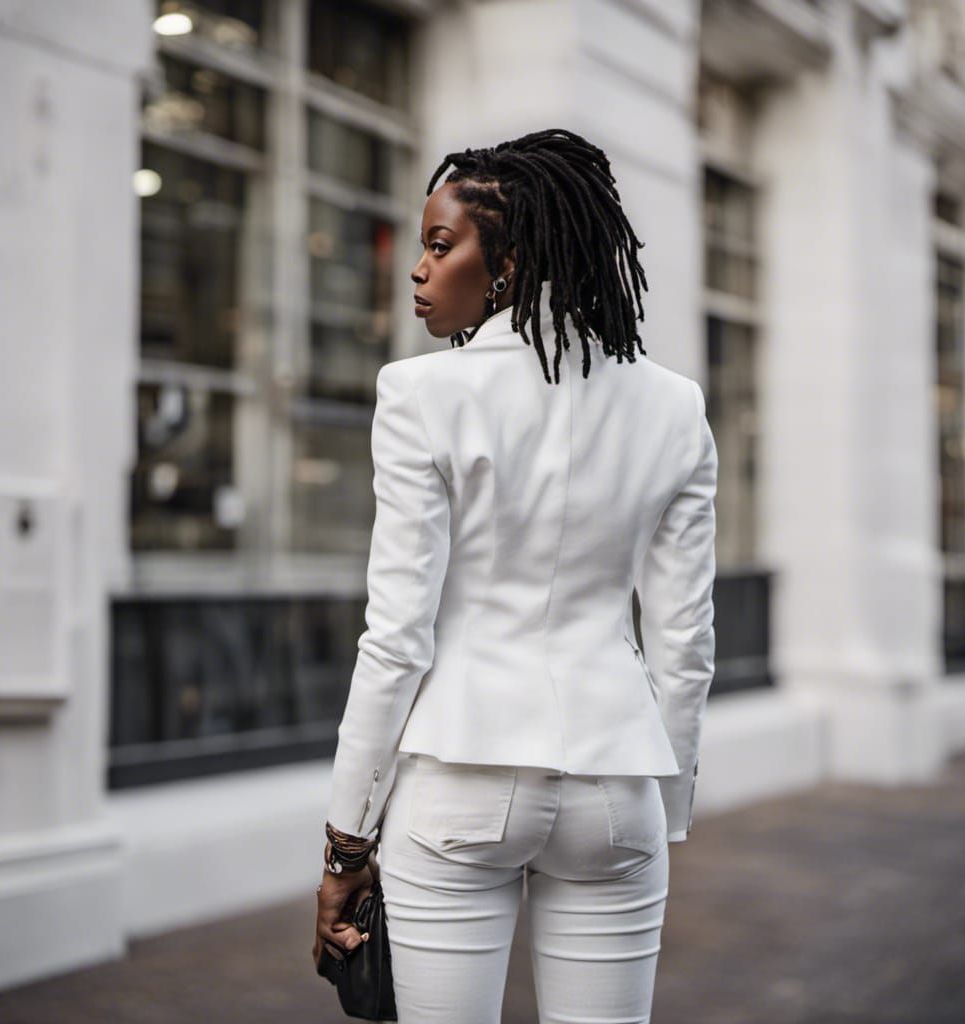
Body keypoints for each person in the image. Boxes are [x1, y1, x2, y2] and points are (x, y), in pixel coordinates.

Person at [312, 127, 718, 1023]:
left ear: (510, 261)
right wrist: (668, 803)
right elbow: (685, 640)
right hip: (615, 790)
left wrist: (347, 844)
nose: (418, 269)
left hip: (459, 781)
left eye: (440, 244)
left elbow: (397, 640)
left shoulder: (423, 395)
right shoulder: (674, 406)